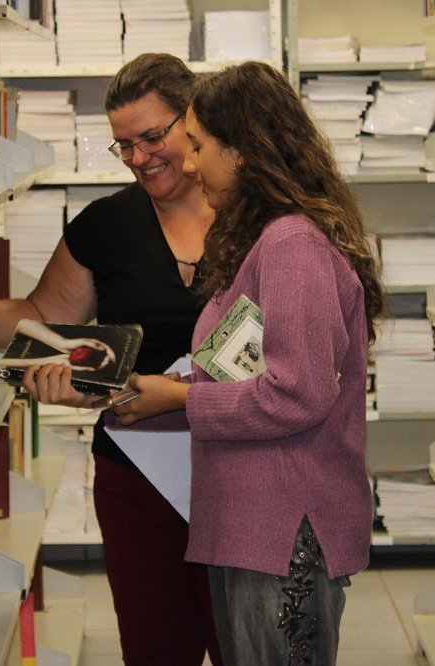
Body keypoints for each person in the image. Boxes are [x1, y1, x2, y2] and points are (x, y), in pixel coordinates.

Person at [113, 61, 385, 665]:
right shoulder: (266, 242)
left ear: (241, 152)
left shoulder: (291, 246)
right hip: (254, 527)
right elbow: (243, 375)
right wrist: (159, 394)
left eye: (199, 147)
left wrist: (180, 399)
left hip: (283, 531)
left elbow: (296, 393)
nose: (188, 164)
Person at [0, 53, 221, 665]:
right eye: (123, 146)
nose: (139, 158)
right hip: (137, 473)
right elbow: (43, 319)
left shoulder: (255, 217)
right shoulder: (107, 225)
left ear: (196, 122)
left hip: (239, 465)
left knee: (249, 642)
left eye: (153, 136)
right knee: (157, 647)